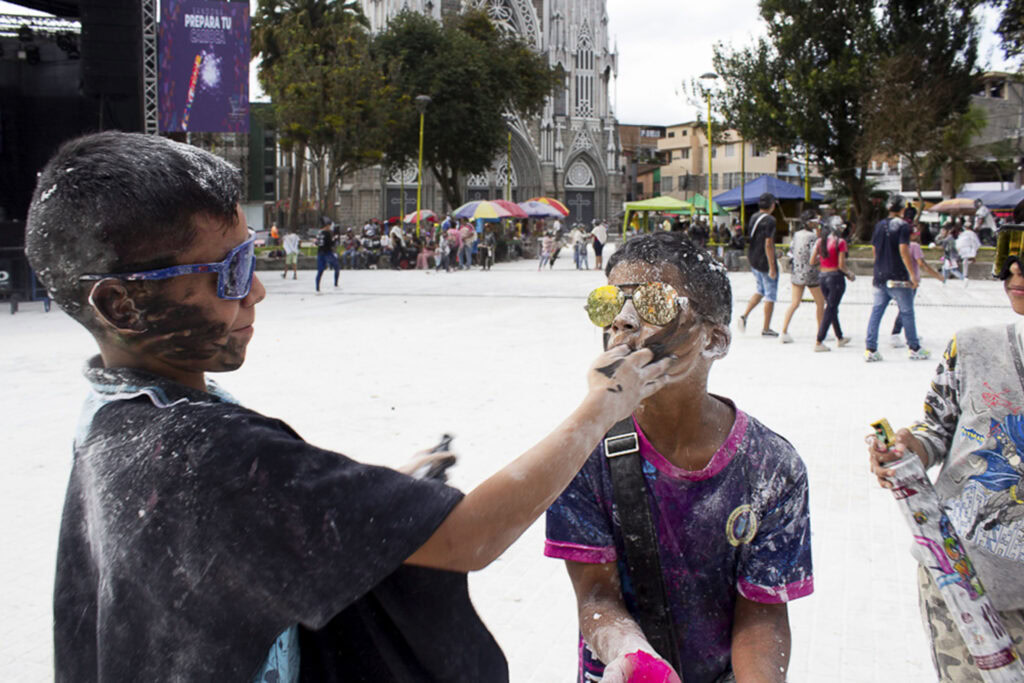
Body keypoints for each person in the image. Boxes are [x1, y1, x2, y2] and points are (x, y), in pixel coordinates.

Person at [27, 131, 675, 683]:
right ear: (120, 305)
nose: (254, 291)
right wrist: (602, 405)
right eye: (226, 274)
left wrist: (383, 498)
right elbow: (469, 537)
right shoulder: (204, 454)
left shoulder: (115, 414)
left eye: (249, 258)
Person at [546, 231, 812, 683]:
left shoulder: (771, 467)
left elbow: (762, 616)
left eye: (654, 303)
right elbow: (596, 597)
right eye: (610, 302)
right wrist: (633, 657)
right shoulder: (581, 451)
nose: (623, 322)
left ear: (714, 340)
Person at [867, 211, 1024, 680]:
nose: (1014, 272)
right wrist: (909, 448)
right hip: (965, 576)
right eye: (1009, 258)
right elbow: (938, 429)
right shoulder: (974, 347)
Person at [864, 195, 930, 361]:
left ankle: (870, 349)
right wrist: (912, 275)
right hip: (898, 275)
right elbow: (903, 250)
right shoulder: (902, 226)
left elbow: (874, 250)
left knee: (876, 312)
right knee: (907, 312)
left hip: (880, 275)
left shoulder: (879, 225)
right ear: (902, 209)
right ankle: (914, 347)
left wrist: (879, 266)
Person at [889, 227, 943, 348]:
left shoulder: (896, 245)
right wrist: (938, 276)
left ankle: (904, 334)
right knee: (906, 310)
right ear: (912, 235)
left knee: (903, 309)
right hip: (910, 281)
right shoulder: (914, 246)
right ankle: (898, 334)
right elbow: (921, 264)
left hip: (896, 279)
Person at [780, 209, 825, 345]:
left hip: (797, 272)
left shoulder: (796, 235)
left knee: (794, 303)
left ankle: (784, 331)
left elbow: (792, 252)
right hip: (811, 273)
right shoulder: (812, 237)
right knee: (820, 303)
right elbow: (814, 254)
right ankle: (820, 330)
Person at [738, 193, 780, 337]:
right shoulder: (770, 220)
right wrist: (772, 266)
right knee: (770, 294)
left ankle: (744, 315)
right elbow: (768, 244)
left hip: (753, 258)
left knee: (760, 290)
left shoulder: (754, 217)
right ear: (772, 205)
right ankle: (766, 328)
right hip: (764, 261)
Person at [810, 216, 854, 352]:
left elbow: (812, 262)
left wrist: (823, 260)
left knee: (831, 306)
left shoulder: (820, 241)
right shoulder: (840, 242)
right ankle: (819, 340)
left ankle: (839, 337)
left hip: (822, 277)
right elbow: (841, 265)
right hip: (835, 278)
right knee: (831, 308)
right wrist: (850, 274)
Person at [315, 221, 340, 292]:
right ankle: (335, 283)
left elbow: (316, 243)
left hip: (320, 252)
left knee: (320, 270)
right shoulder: (327, 233)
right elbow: (330, 244)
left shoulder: (319, 233)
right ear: (327, 226)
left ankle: (317, 287)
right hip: (327, 252)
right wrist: (335, 239)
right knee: (336, 267)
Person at [956, 221, 981, 285]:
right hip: (962, 250)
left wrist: (974, 252)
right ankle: (964, 276)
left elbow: (975, 243)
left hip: (967, 250)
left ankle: (965, 276)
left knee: (965, 262)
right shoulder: (963, 234)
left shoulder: (971, 234)